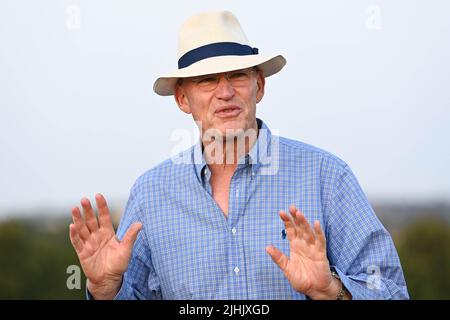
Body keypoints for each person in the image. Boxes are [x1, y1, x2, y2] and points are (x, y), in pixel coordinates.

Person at [69, 11, 409, 300]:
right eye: (207, 80)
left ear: (259, 86)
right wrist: (105, 287)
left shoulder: (326, 176)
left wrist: (331, 289)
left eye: (237, 76)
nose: (226, 92)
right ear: (182, 100)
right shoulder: (150, 193)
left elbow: (391, 289)